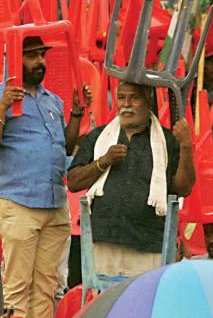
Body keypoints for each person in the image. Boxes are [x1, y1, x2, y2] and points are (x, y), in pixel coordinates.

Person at [0, 35, 91, 318]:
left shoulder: (52, 100)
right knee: (18, 288)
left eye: (41, 55)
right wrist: (1, 110)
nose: (40, 61)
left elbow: (65, 147)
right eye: (32, 56)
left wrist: (77, 114)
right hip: (19, 202)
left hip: (55, 202)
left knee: (48, 286)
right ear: (13, 58)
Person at [67, 81, 195, 277]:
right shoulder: (99, 136)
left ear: (148, 101)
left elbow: (183, 188)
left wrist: (186, 146)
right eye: (121, 97)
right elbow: (74, 182)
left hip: (149, 245)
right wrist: (103, 161)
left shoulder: (167, 140)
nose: (126, 104)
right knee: (107, 305)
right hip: (103, 241)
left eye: (134, 98)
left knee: (143, 304)